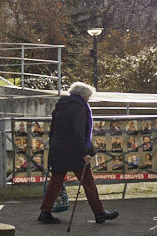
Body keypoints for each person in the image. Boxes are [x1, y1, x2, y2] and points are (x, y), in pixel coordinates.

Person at [39, 82, 119, 225]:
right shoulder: (80, 107)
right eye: (88, 97)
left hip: (59, 149)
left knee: (56, 181)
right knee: (88, 181)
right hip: (74, 151)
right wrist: (85, 152)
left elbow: (53, 130)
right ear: (83, 96)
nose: (88, 100)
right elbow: (79, 132)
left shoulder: (61, 105)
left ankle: (45, 211)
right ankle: (99, 213)